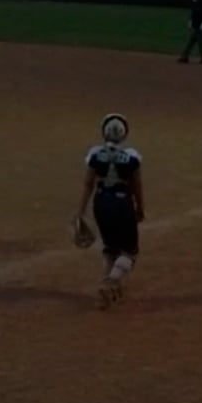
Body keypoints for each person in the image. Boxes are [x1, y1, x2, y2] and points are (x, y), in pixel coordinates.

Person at [74, 113, 144, 307]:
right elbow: (136, 185)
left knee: (110, 248)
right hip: (122, 204)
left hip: (101, 202)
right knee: (129, 251)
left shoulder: (95, 154)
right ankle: (111, 281)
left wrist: (80, 212)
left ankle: (108, 292)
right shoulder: (131, 157)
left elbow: (88, 184)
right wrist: (140, 208)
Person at [177, 0, 202, 64]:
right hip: (194, 30)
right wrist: (190, 26)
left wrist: (200, 28)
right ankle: (185, 57)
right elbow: (191, 18)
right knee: (189, 44)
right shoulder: (194, 9)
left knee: (201, 45)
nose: (194, 4)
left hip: (201, 31)